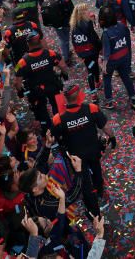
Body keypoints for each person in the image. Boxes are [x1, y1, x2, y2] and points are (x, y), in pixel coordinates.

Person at [51, 85, 117, 216]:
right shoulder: (91, 109)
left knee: (84, 181)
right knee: (97, 170)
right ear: (79, 95)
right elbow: (106, 127)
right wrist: (112, 138)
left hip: (76, 158)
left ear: (66, 98)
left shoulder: (58, 118)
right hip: (93, 150)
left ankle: (92, 208)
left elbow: (55, 138)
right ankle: (99, 191)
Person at [16, 33, 68, 129]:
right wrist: (64, 75)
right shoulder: (51, 53)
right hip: (53, 85)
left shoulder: (21, 62)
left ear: (28, 44)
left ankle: (48, 133)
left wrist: (20, 91)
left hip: (36, 91)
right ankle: (61, 126)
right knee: (59, 108)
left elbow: (17, 81)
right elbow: (63, 66)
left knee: (42, 113)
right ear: (40, 42)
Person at [100, 6, 135, 109]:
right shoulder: (122, 26)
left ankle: (109, 101)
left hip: (112, 61)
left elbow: (106, 53)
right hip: (124, 57)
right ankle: (133, 97)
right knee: (126, 77)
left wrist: (104, 66)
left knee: (107, 79)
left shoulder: (106, 33)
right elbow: (128, 41)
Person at [71, 3, 104, 98]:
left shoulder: (74, 24)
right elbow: (93, 38)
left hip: (83, 53)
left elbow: (74, 41)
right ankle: (97, 83)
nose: (88, 11)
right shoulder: (87, 23)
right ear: (82, 12)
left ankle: (93, 92)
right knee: (94, 67)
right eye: (86, 9)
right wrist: (100, 47)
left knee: (89, 69)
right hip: (92, 52)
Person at [42, 0, 75, 64]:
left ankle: (66, 53)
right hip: (66, 22)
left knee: (62, 39)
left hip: (56, 23)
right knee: (65, 39)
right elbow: (71, 8)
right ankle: (66, 57)